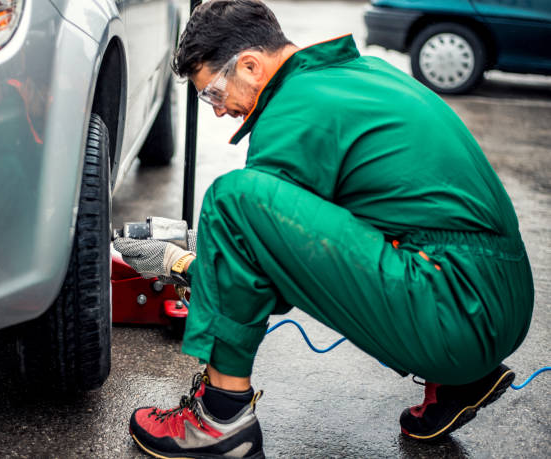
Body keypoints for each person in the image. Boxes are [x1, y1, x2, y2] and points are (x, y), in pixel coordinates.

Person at [113, 0, 534, 457]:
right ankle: (461, 384)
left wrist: (180, 261)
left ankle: (220, 418)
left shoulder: (291, 112)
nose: (217, 111)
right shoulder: (358, 76)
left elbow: (268, 286)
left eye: (213, 93)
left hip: (454, 315)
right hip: (501, 306)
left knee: (233, 201)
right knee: (399, 227)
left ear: (251, 65)